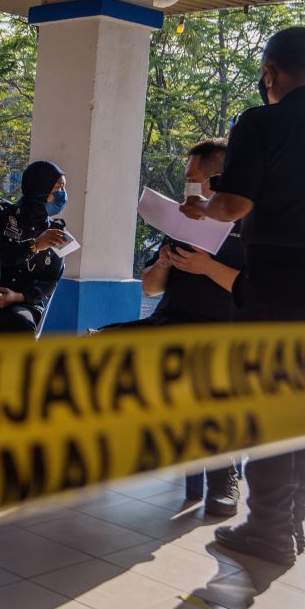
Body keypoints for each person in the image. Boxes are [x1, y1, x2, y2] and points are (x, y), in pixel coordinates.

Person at [180, 27, 305, 565]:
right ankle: (291, 522)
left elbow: (234, 206)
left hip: (277, 282)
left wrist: (202, 208)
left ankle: (269, 530)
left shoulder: (261, 122)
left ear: (270, 72)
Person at [106, 139, 244, 516]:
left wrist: (207, 267)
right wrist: (165, 261)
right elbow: (150, 287)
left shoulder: (251, 226)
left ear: (217, 179)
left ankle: (222, 475)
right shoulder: (184, 221)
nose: (188, 185)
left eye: (193, 178)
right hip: (168, 323)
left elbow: (255, 289)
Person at [0, 160, 67, 334]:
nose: (63, 194)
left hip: (24, 303)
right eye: (59, 188)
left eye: (64, 188)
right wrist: (34, 245)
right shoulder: (0, 212)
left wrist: (17, 297)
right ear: (39, 188)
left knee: (17, 323)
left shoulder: (57, 231)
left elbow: (49, 282)